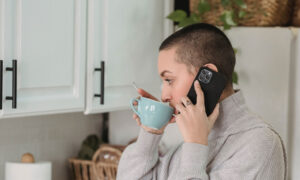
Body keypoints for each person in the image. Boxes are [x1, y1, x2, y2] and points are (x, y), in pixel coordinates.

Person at [116, 23, 287, 180]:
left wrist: (196, 145)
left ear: (206, 75)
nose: (164, 96)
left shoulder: (260, 144)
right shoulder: (191, 142)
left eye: (169, 80)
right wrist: (150, 133)